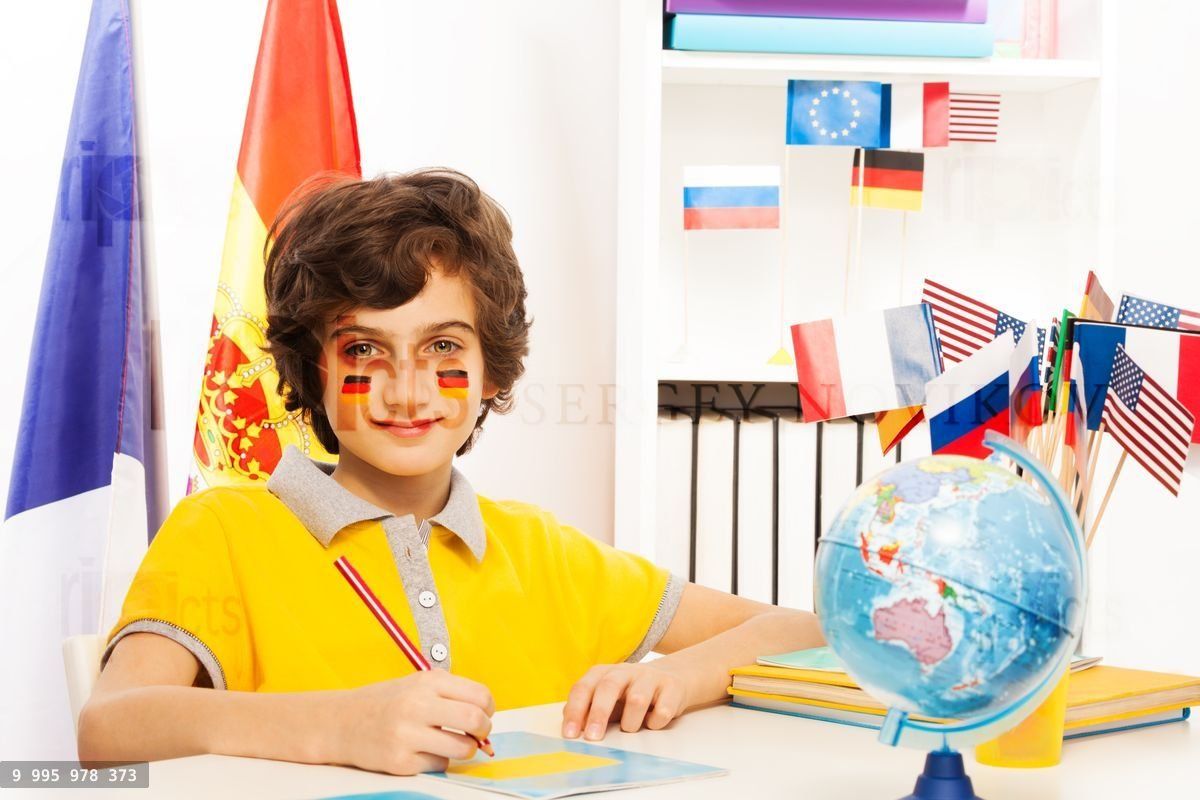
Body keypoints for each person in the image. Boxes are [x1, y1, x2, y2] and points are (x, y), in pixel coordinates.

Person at [77, 169, 824, 775]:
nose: (408, 390)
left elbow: (800, 630)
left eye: (444, 350)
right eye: (365, 351)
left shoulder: (542, 552)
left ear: (492, 371)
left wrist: (673, 677)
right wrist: (339, 725)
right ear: (315, 370)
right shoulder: (226, 531)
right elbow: (109, 726)